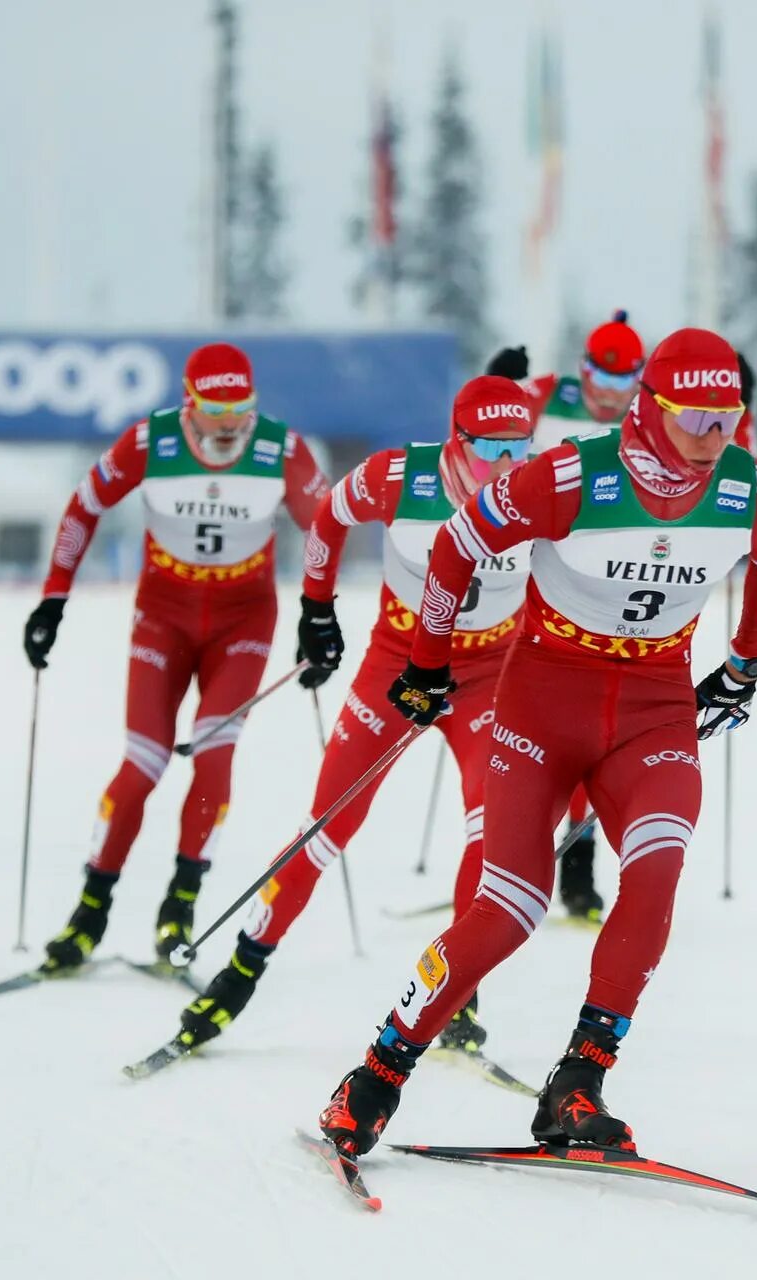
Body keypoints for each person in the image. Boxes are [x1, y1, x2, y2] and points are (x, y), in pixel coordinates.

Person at [314, 328, 757, 1162]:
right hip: (542, 702)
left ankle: (579, 1082)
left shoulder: (750, 489)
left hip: (653, 710)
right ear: (651, 408)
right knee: (511, 904)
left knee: (656, 865)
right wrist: (428, 663)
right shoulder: (576, 475)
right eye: (695, 419)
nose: (711, 439)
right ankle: (377, 1073)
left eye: (728, 419)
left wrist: (745, 666)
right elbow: (457, 542)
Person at [167, 375, 537, 1055]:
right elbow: (329, 518)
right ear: (458, 444)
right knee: (328, 825)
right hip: (399, 664)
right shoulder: (400, 477)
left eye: (523, 448)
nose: (509, 468)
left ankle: (457, 993)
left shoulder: (538, 485)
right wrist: (317, 610)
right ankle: (241, 972)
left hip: (491, 673)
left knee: (492, 829)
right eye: (494, 451)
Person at [22, 342, 328, 973]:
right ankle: (89, 911)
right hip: (163, 616)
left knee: (213, 753)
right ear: (190, 404)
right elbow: (83, 508)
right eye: (216, 409)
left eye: (240, 408)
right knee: (143, 763)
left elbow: (326, 525)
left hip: (243, 619)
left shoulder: (281, 449)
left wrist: (316, 612)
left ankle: (179, 907)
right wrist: (53, 601)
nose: (229, 424)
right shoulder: (149, 442)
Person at [483, 310, 647, 921]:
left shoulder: (649, 414)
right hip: (525, 572)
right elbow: (477, 435)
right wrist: (496, 383)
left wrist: (744, 406)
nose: (609, 396)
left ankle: (578, 861)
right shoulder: (545, 395)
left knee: (587, 721)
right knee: (518, 718)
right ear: (583, 372)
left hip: (598, 584)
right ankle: (502, 850)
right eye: (600, 381)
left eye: (623, 381)